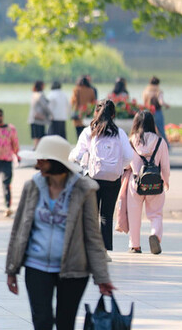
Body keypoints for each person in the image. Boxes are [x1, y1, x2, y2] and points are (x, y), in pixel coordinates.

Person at [5, 135, 115, 330]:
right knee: (42, 324)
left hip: (73, 270)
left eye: (42, 161)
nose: (37, 165)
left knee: (65, 327)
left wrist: (102, 277)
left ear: (56, 163)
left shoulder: (84, 190)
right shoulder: (32, 186)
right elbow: (19, 229)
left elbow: (93, 236)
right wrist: (11, 268)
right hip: (36, 267)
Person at [70, 100, 132, 251]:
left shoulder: (88, 131)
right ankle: (105, 250)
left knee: (91, 215)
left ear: (96, 113)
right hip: (113, 179)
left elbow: (76, 155)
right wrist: (118, 167)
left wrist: (78, 161)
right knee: (106, 216)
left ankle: (91, 248)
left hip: (92, 178)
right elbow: (129, 156)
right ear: (113, 114)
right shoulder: (120, 133)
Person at [120, 110, 170, 254]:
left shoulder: (131, 141)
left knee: (134, 215)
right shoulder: (160, 141)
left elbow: (125, 164)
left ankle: (135, 245)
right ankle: (155, 234)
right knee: (156, 214)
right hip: (156, 183)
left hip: (135, 183)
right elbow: (165, 166)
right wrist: (166, 181)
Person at [141, 77, 170, 148]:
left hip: (148, 112)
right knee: (161, 129)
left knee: (147, 130)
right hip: (157, 111)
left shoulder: (146, 91)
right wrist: (166, 105)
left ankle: (147, 145)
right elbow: (161, 102)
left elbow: (144, 102)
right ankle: (166, 145)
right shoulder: (158, 91)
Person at [28, 81, 52, 148]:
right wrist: (51, 114)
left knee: (35, 137)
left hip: (32, 118)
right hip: (39, 119)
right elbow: (45, 106)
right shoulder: (40, 95)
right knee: (39, 137)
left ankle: (35, 149)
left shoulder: (34, 94)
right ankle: (38, 151)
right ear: (41, 86)